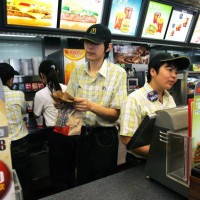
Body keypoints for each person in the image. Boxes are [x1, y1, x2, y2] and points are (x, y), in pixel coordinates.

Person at [51, 23, 127, 191]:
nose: (90, 47)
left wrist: (91, 106)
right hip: (81, 134)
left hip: (105, 137)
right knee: (83, 181)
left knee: (104, 183)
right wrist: (61, 103)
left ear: (108, 47)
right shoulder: (77, 71)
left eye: (96, 43)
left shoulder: (118, 73)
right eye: (87, 42)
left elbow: (115, 114)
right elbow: (70, 102)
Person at [120, 53, 190, 166]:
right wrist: (162, 153)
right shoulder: (134, 99)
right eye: (169, 70)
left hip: (165, 161)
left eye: (176, 72)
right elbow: (127, 139)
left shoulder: (169, 98)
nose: (174, 76)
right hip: (140, 164)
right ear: (153, 72)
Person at [0, 63, 34, 200]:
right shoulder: (18, 94)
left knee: (6, 181)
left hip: (2, 147)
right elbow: (25, 110)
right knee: (25, 179)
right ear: (10, 80)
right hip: (20, 144)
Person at [33, 60, 67, 127]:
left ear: (41, 75)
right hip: (69, 130)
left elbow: (36, 115)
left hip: (53, 132)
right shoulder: (67, 88)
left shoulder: (40, 94)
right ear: (57, 72)